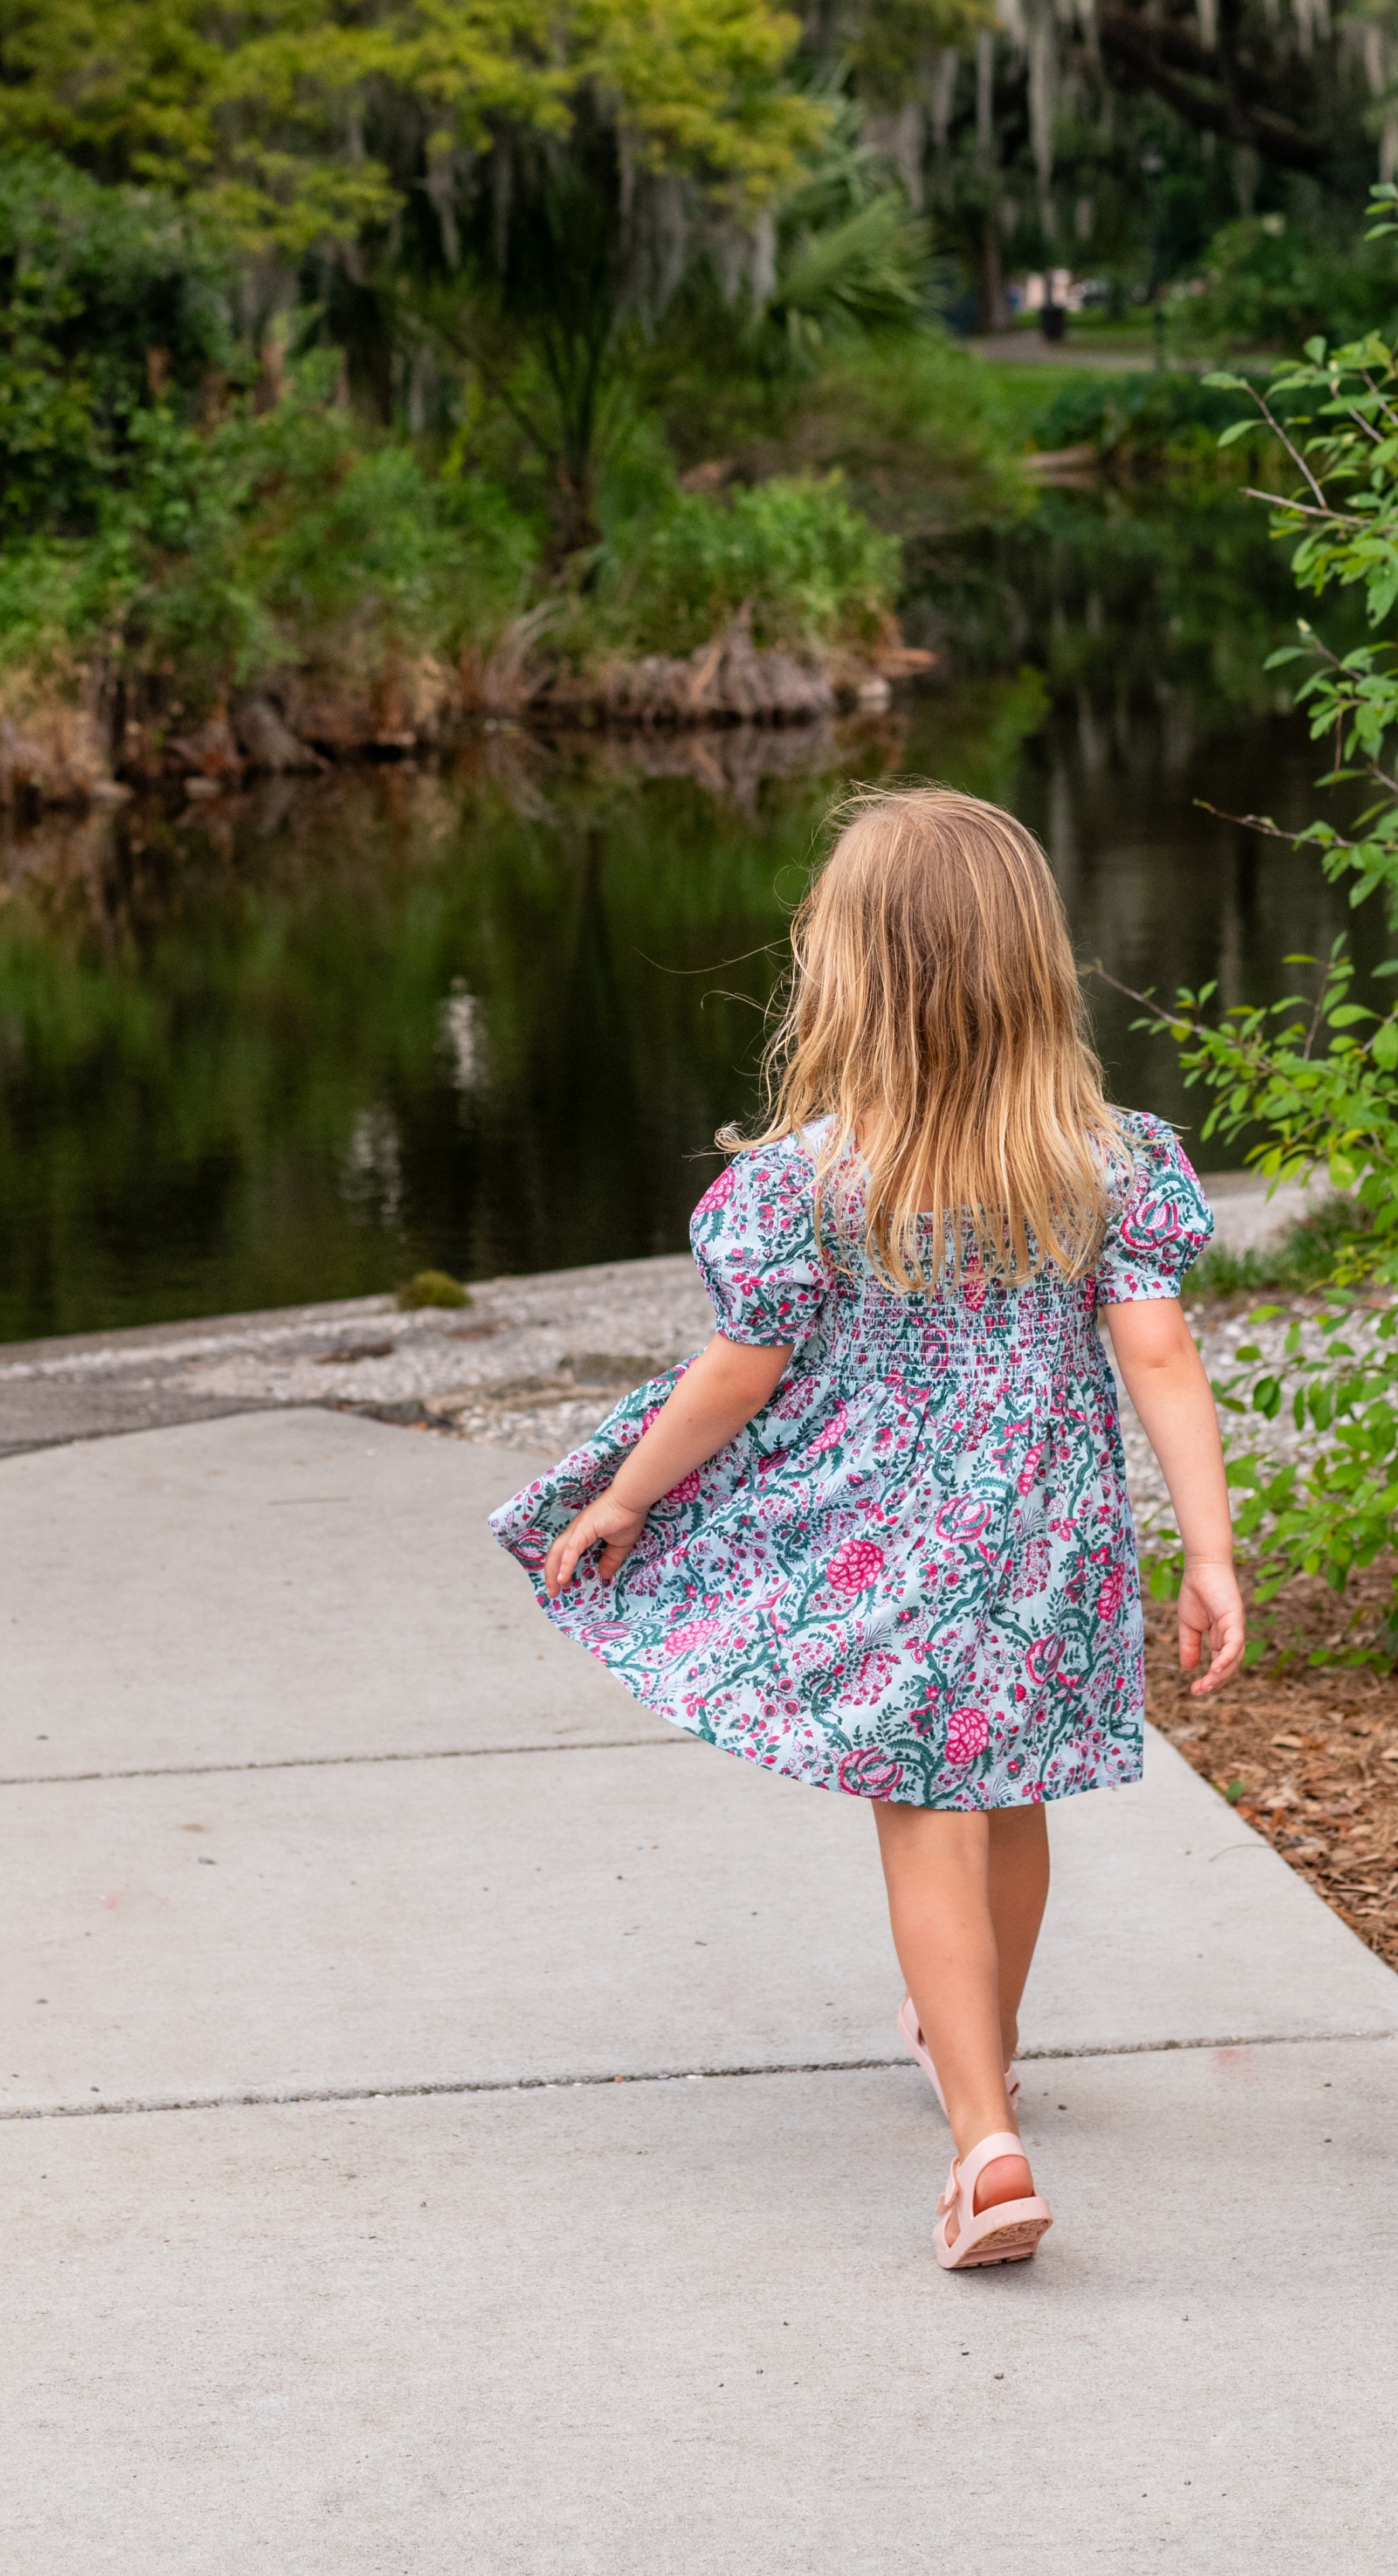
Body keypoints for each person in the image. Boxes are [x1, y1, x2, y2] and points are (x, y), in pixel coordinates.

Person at [489, 784, 1245, 2272]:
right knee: (1009, 1791)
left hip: (883, 1535)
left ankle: (983, 2142)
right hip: (1050, 1529)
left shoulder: (806, 1178)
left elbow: (742, 1367)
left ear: (849, 968)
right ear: (1033, 961)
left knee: (923, 1814)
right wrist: (1209, 1548)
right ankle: (990, 2048)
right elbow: (1157, 1355)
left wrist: (627, 1494)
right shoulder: (1107, 1158)